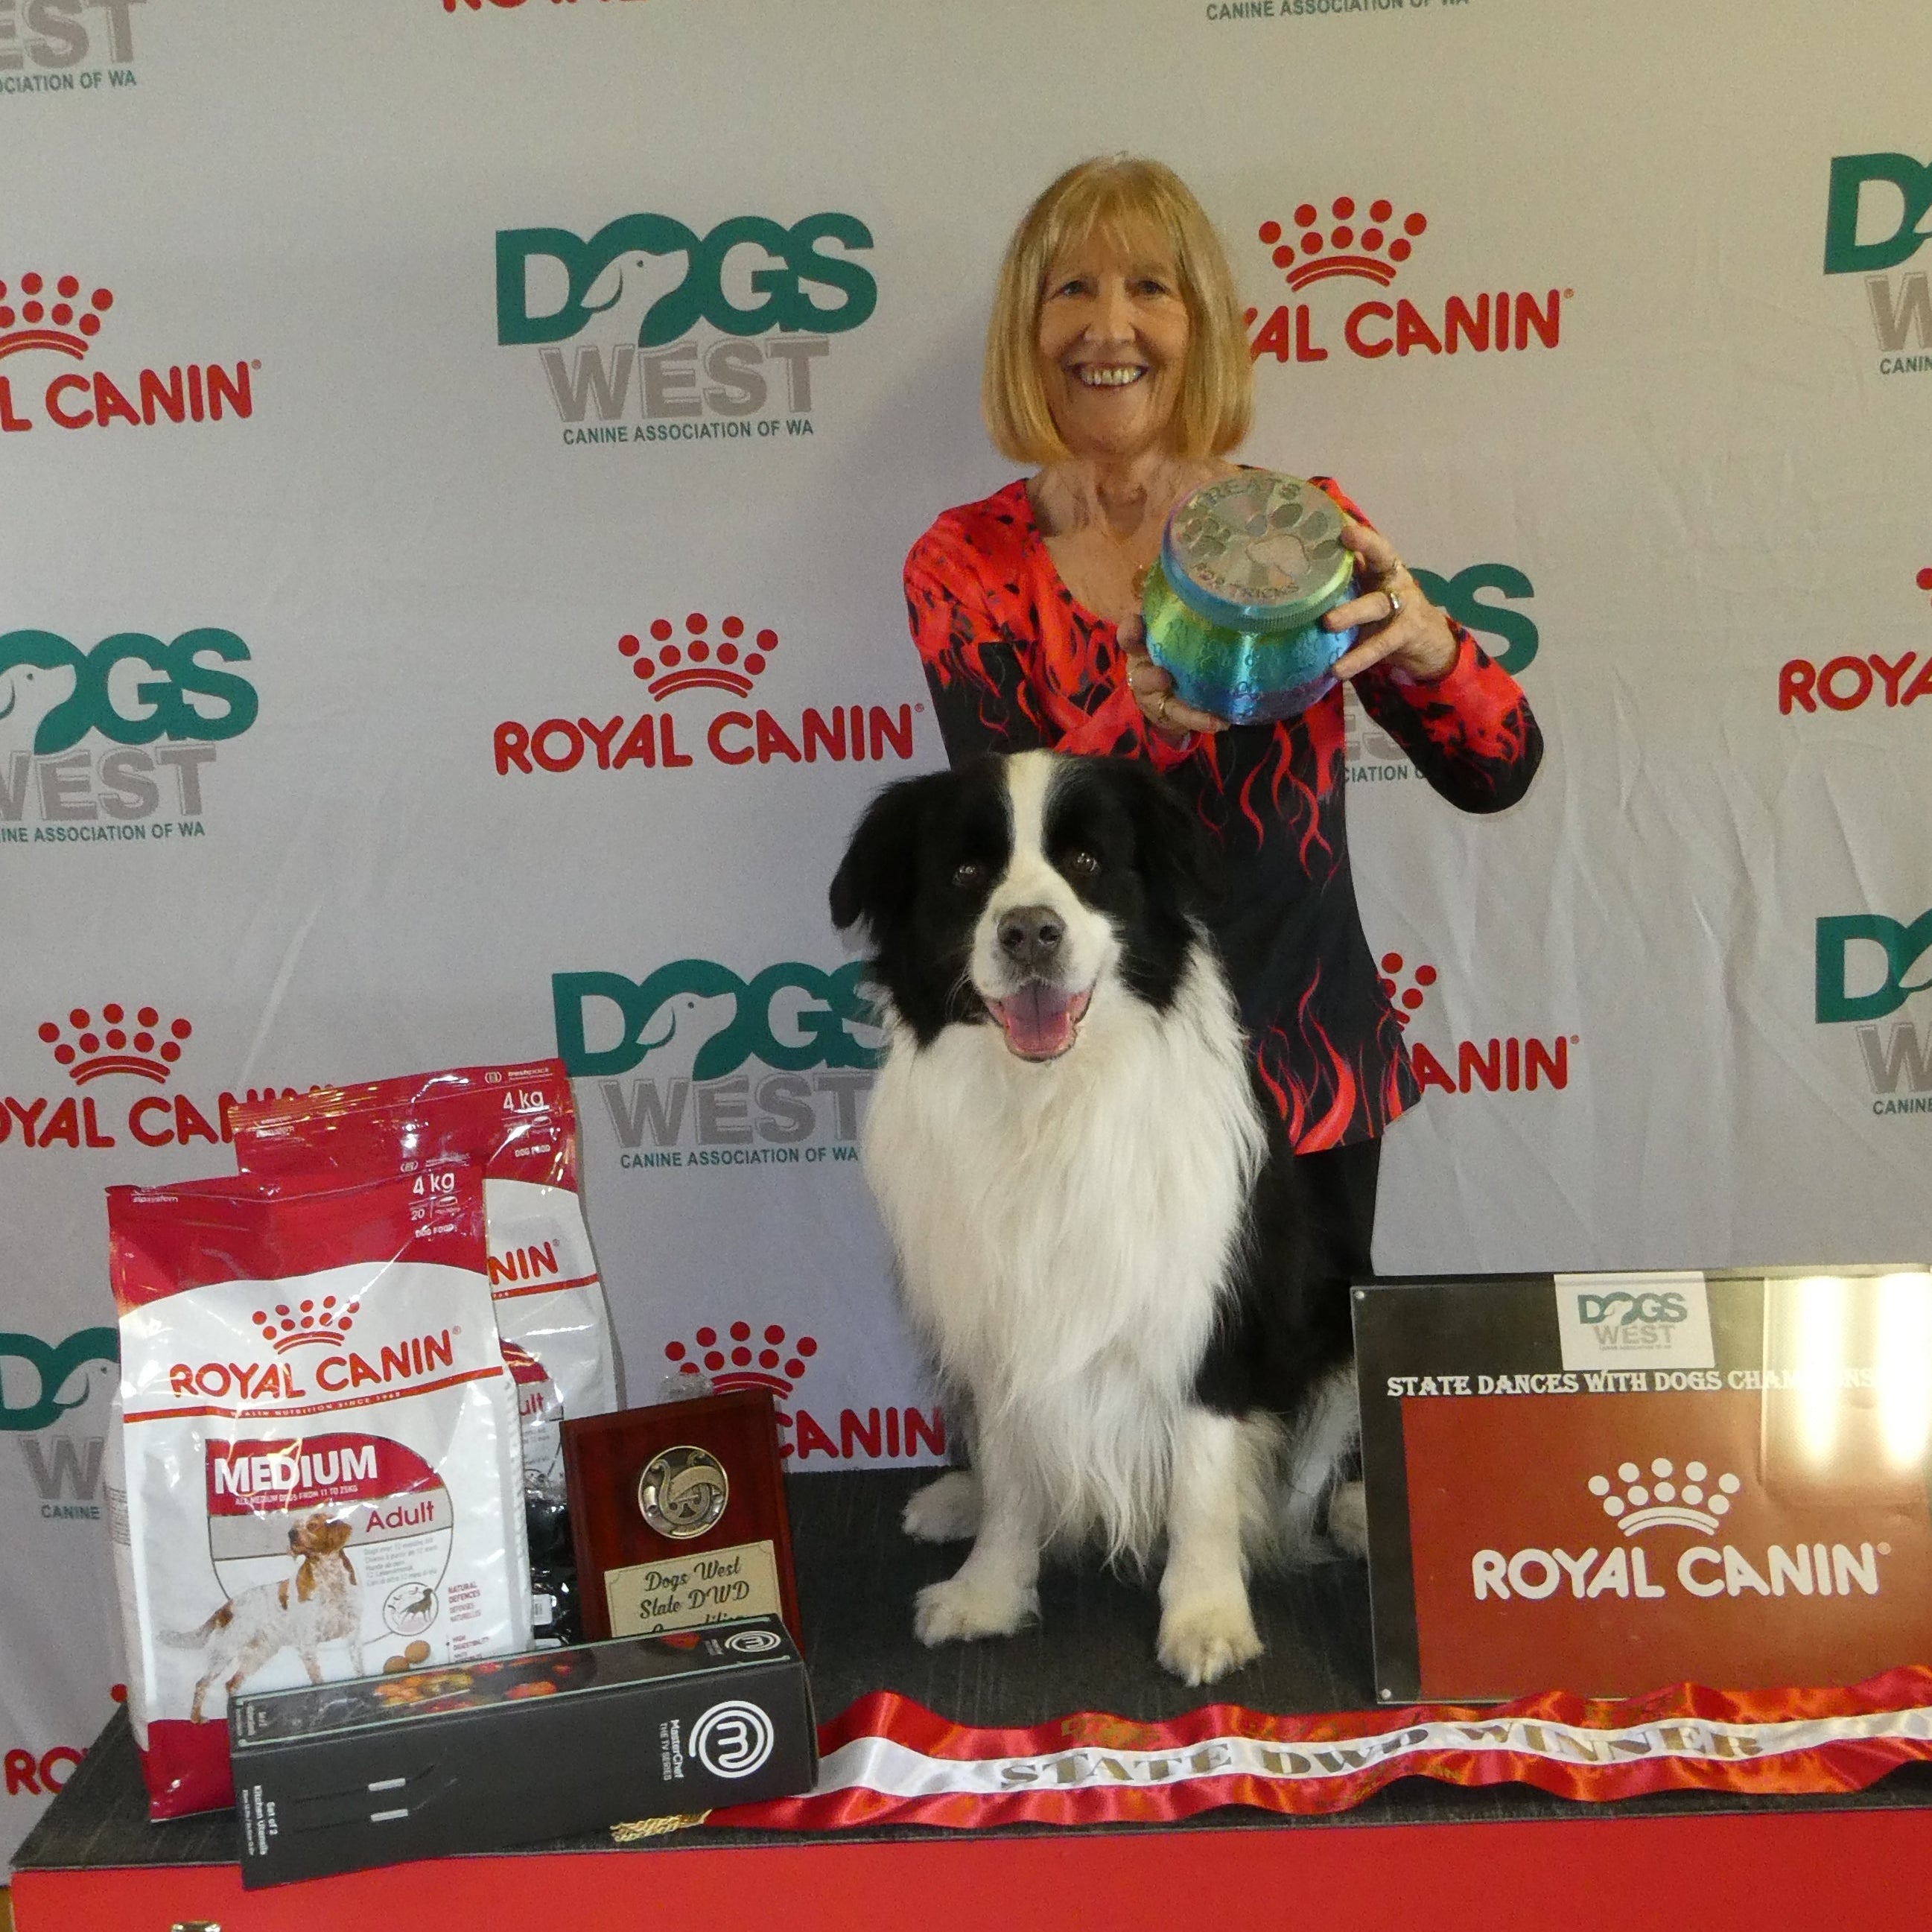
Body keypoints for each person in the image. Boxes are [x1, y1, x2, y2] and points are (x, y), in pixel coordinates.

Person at [903, 156, 1542, 1281]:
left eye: (1151, 287)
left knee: (1306, 1424)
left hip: (1299, 1063)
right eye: (1071, 291)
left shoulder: (1298, 530)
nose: (1110, 326)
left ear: (1200, 325)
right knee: (1100, 1423)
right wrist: (1136, 716)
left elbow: (1495, 770)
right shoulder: (966, 563)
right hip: (1080, 1087)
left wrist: (1433, 648)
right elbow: (1012, 834)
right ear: (1025, 330)